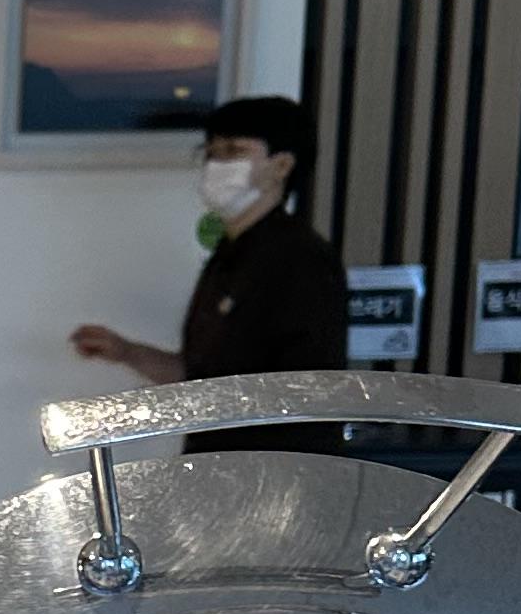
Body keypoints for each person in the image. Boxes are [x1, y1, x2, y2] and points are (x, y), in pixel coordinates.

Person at [68, 96, 347, 435]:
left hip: (272, 459)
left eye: (234, 151)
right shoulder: (228, 255)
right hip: (215, 455)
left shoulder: (301, 259)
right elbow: (199, 376)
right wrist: (128, 353)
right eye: (211, 152)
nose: (217, 164)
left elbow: (307, 391)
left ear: (281, 165)